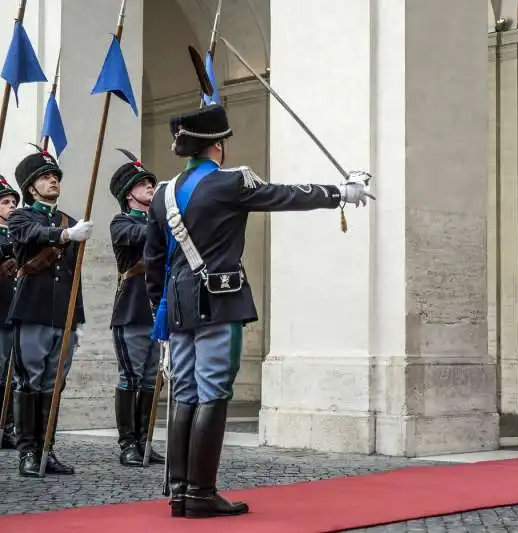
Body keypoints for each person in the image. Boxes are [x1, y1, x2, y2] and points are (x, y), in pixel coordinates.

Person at [144, 103, 372, 519]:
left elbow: (153, 261)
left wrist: (163, 309)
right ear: (218, 146)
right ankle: (200, 493)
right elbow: (284, 196)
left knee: (186, 393)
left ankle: (179, 493)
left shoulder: (161, 194)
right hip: (217, 302)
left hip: (177, 309)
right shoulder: (230, 183)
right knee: (213, 391)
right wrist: (343, 191)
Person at [8, 147, 92, 476]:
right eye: (45, 177)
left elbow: (74, 275)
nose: (53, 180)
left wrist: (79, 317)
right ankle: (27, 452)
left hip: (63, 314)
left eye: (55, 176)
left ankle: (46, 450)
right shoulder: (20, 217)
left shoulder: (69, 220)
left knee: (53, 383)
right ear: (31, 188)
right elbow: (30, 235)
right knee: (28, 381)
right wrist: (65, 235)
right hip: (33, 310)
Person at [109, 152, 166, 466]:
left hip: (157, 311)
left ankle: (145, 442)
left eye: (150, 183)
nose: (149, 187)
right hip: (131, 311)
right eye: (143, 183)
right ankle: (127, 444)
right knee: (130, 377)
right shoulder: (122, 223)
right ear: (129, 193)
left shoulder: (156, 223)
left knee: (150, 379)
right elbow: (139, 236)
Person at [0, 176, 19, 450]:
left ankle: (11, 426)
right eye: (5, 202)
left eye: (14, 202)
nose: (12, 206)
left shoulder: (19, 233)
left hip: (18, 311)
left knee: (14, 373)